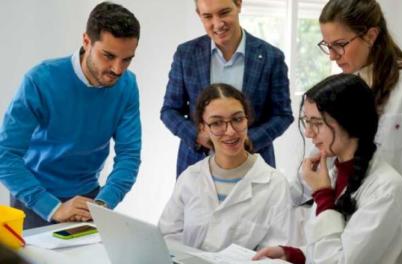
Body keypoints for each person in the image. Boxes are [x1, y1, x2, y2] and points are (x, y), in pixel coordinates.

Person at [0, 2, 141, 229]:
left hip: (90, 200)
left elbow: (129, 156)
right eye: (108, 56)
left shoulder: (127, 85)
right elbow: (4, 156)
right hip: (35, 201)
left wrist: (104, 203)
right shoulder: (40, 80)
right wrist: (53, 207)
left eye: (127, 59)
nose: (117, 69)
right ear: (86, 41)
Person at [254, 74, 402, 263]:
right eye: (307, 122)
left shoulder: (386, 190)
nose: (308, 133)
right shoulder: (334, 173)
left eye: (317, 123)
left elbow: (340, 260)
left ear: (350, 122)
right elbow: (330, 245)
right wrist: (295, 254)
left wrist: (323, 195)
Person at [315, 0, 402, 236]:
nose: (332, 56)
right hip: (353, 228)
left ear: (371, 36)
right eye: (327, 45)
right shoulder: (345, 87)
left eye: (340, 45)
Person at [160, 0, 293, 176]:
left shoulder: (271, 57)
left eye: (224, 13)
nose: (217, 24)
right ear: (199, 14)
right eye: (208, 16)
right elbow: (169, 111)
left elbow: (282, 115)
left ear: (238, 4)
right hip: (196, 165)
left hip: (254, 166)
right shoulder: (186, 54)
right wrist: (197, 136)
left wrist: (248, 140)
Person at [159, 83, 295, 251]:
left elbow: (277, 252)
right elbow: (167, 237)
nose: (230, 131)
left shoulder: (275, 184)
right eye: (217, 123)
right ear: (203, 127)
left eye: (237, 119)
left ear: (247, 120)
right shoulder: (190, 178)